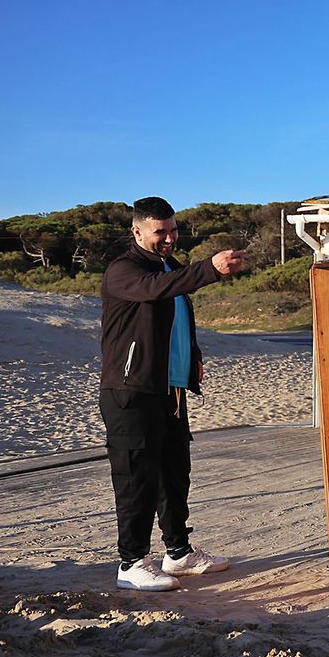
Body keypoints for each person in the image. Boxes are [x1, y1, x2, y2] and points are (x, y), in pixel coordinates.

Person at [100, 197, 247, 591]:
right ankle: (131, 563)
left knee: (173, 474)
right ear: (137, 231)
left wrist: (192, 356)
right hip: (131, 392)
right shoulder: (124, 271)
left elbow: (177, 319)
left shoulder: (170, 267)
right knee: (137, 479)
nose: (168, 238)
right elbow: (156, 291)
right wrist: (209, 269)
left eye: (173, 229)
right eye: (159, 232)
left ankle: (178, 554)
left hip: (171, 392)